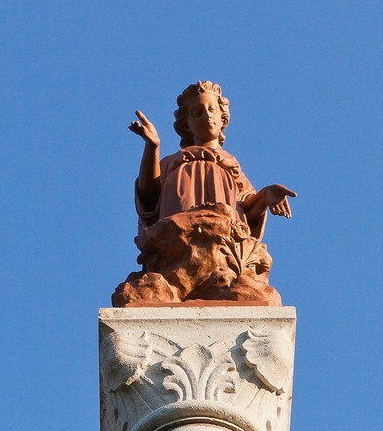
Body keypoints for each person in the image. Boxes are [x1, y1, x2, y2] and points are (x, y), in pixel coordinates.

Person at [112, 82, 295, 306]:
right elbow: (149, 199)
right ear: (186, 124)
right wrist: (152, 147)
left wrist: (267, 195)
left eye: (211, 109)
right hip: (178, 240)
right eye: (197, 112)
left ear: (222, 118)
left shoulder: (231, 166)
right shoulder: (172, 162)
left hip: (223, 246)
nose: (206, 116)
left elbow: (247, 209)